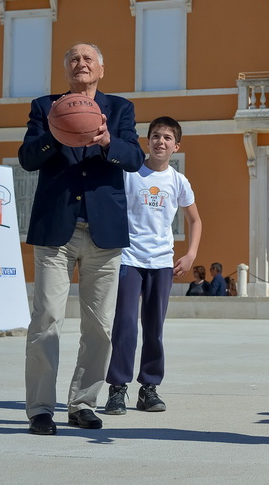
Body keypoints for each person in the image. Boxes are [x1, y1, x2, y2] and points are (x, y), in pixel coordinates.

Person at [18, 43, 145, 435]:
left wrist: (107, 141)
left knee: (100, 327)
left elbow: (135, 159)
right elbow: (27, 158)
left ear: (101, 69)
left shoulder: (120, 109)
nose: (81, 63)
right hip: (56, 230)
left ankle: (83, 403)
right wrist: (59, 133)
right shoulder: (45, 107)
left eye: (89, 58)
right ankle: (41, 408)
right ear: (66, 70)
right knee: (46, 320)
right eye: (74, 59)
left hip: (104, 232)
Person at [104, 116, 202, 416]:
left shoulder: (178, 181)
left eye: (167, 138)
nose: (161, 142)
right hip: (129, 259)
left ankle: (149, 387)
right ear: (147, 141)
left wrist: (190, 254)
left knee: (154, 327)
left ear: (176, 146)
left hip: (161, 263)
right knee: (125, 324)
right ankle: (117, 388)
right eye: (156, 136)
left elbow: (195, 220)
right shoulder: (130, 173)